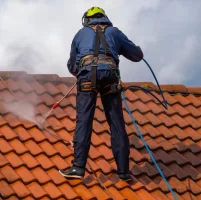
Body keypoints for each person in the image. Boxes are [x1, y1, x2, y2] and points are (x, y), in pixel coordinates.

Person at [59, 6, 143, 181]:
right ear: (104, 18)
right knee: (116, 121)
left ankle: (78, 168)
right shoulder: (114, 32)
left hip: (87, 76)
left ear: (87, 20)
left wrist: (84, 70)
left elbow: (73, 66)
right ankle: (123, 172)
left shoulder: (80, 34)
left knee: (84, 120)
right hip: (110, 76)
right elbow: (136, 55)